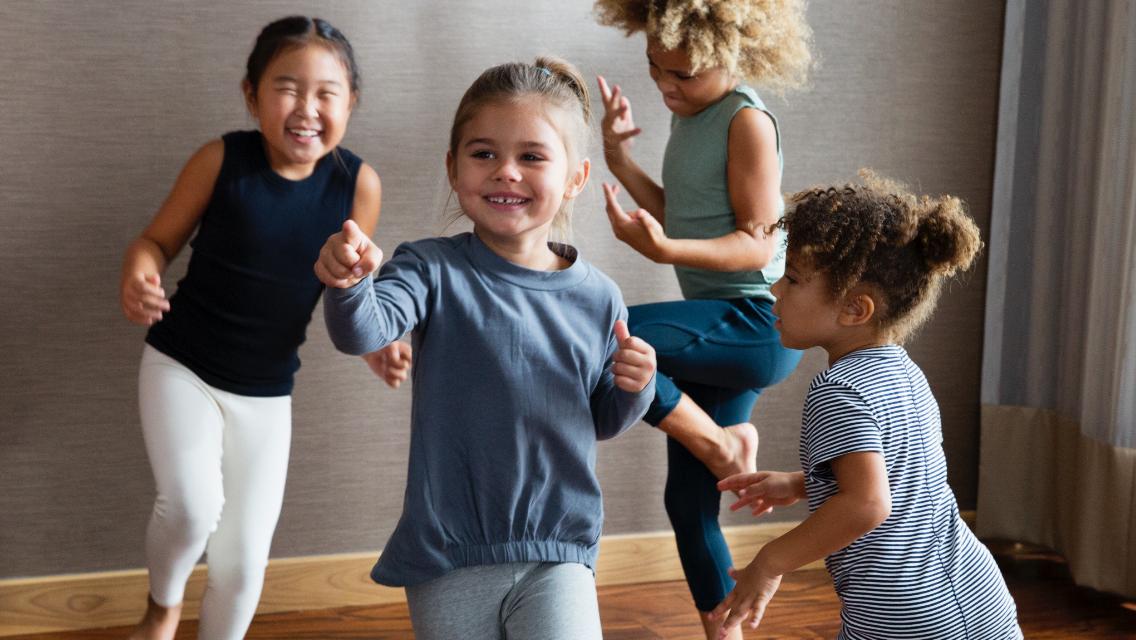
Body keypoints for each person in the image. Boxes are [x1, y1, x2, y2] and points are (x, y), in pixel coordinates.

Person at [315, 57, 657, 640]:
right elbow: (364, 332)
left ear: (575, 177)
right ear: (453, 168)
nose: (505, 172)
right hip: (450, 552)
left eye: (531, 156)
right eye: (483, 154)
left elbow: (599, 418)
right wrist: (349, 285)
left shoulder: (600, 297)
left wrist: (635, 387)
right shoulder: (428, 267)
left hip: (559, 548)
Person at [118, 16, 381, 640]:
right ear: (251, 95)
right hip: (182, 367)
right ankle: (162, 606)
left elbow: (357, 288)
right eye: (287, 87)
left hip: (267, 393)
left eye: (326, 93)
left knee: (242, 567)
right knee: (190, 508)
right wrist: (139, 274)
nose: (307, 108)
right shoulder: (222, 161)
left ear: (352, 103)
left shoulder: (357, 185)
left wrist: (382, 343)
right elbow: (154, 241)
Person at [713, 172, 1023, 639]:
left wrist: (770, 562)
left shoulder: (836, 389)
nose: (775, 290)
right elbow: (901, 474)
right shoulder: (901, 371)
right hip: (963, 593)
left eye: (793, 279)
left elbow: (869, 502)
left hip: (913, 614)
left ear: (855, 310)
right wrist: (802, 484)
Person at [592, 1, 812, 636]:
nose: (665, 86)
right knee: (688, 503)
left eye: (681, 75)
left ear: (731, 55)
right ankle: (727, 629)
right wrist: (619, 159)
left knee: (600, 333)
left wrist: (663, 249)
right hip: (719, 327)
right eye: (655, 68)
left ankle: (721, 442)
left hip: (754, 322)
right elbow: (682, 214)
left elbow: (759, 243)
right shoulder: (692, 115)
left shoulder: (745, 120)